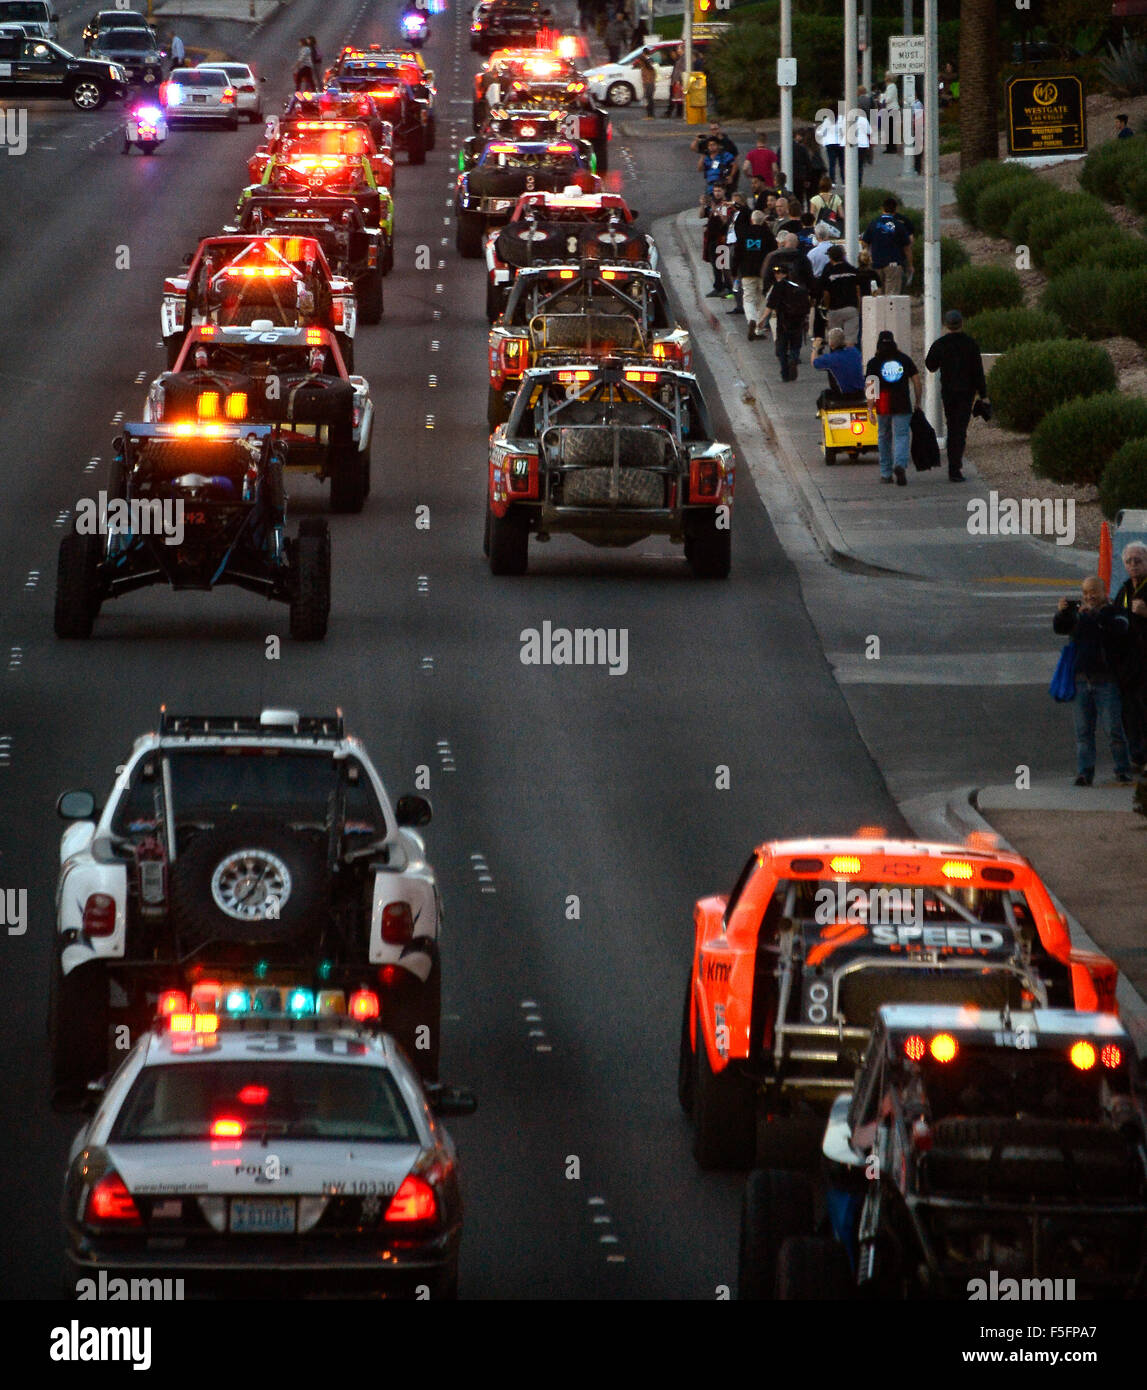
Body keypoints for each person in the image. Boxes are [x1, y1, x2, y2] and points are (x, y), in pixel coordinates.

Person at [1054, 579, 1134, 786]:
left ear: (1103, 592)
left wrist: (1097, 616)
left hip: (1106, 680)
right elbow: (1060, 628)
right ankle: (1084, 772)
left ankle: (1123, 769)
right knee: (1083, 732)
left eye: (1093, 592)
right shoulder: (1079, 615)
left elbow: (1120, 630)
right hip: (1081, 679)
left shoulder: (1114, 611)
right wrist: (1063, 613)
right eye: (1085, 592)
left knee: (1114, 729)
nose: (1089, 597)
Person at [924, 308, 988, 482]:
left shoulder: (941, 344)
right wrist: (984, 395)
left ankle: (954, 467)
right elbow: (978, 372)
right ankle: (955, 466)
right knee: (960, 430)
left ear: (946, 325)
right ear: (962, 323)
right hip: (966, 393)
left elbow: (930, 365)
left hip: (949, 392)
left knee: (952, 427)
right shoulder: (971, 344)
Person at [865, 329, 921, 485]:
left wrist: (870, 408)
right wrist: (918, 401)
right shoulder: (904, 359)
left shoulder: (874, 362)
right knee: (901, 436)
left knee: (883, 437)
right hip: (902, 401)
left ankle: (885, 473)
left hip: (883, 402)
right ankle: (900, 465)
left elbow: (871, 386)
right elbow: (916, 381)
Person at [1112, 542, 1147, 770]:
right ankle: (1137, 757)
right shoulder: (1124, 590)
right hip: (1126, 664)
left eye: (1138, 560)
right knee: (1129, 712)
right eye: (1129, 561)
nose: (1133, 565)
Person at [760, 261, 811, 381]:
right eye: (776, 272)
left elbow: (771, 305)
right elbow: (807, 305)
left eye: (780, 272)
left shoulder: (778, 286)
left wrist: (762, 319)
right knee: (795, 345)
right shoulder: (798, 286)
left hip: (783, 322)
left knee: (782, 349)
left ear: (785, 274)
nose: (777, 274)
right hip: (798, 321)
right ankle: (793, 358)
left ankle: (785, 372)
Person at [734, 209, 777, 341]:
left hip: (747, 272)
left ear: (751, 220)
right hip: (764, 273)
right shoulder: (768, 234)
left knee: (748, 298)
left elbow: (737, 254)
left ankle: (751, 319)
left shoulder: (744, 233)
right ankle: (758, 328)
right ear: (763, 220)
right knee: (762, 299)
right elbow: (773, 253)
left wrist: (735, 272)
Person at [861, 196, 914, 296]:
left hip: (876, 262)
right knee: (892, 295)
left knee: (878, 293)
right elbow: (907, 248)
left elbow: (864, 243)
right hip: (893, 263)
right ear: (895, 209)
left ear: (882, 208)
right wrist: (910, 265)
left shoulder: (873, 224)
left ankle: (879, 311)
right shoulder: (899, 226)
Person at [818, 243, 862, 346]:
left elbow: (826, 293)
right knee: (850, 340)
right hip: (851, 308)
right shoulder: (852, 270)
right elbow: (858, 290)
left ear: (830, 257)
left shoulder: (828, 271)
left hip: (834, 309)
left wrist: (828, 307)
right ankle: (850, 358)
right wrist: (858, 307)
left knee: (835, 340)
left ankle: (836, 359)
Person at [700, 184, 733, 296]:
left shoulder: (724, 205)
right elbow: (701, 216)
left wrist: (715, 210)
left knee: (723, 264)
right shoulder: (714, 204)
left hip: (721, 238)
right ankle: (718, 286)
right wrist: (703, 205)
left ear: (724, 191)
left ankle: (728, 287)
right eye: (715, 191)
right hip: (711, 238)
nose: (716, 193)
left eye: (719, 190)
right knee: (715, 264)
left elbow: (724, 220)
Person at [813, 326, 865, 397]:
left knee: (823, 396)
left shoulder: (831, 358)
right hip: (860, 393)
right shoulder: (854, 351)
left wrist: (815, 348)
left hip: (843, 395)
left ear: (831, 344)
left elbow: (814, 363)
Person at [817, 106, 844, 184]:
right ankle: (844, 181)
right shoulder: (841, 119)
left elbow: (821, 132)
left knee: (832, 164)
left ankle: (832, 182)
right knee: (842, 164)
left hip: (830, 143)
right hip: (839, 143)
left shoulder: (827, 120)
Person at [665, 46, 684, 119]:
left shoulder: (682, 59)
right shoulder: (679, 59)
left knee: (676, 98)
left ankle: (673, 112)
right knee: (676, 98)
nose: (677, 51)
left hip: (677, 82)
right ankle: (676, 112)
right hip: (675, 81)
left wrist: (678, 80)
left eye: (679, 49)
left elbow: (680, 71)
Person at [636, 53, 656, 118]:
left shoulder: (646, 68)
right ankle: (650, 115)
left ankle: (650, 115)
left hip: (649, 85)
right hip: (650, 84)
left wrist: (646, 84)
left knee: (649, 100)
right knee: (649, 99)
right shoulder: (648, 68)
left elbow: (647, 78)